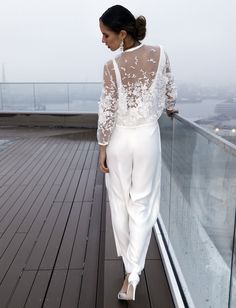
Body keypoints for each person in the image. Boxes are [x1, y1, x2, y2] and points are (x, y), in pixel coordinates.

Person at [97, 5, 178, 301]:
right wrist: (170, 107)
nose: (103, 41)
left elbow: (107, 110)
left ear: (122, 33)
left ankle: (128, 271)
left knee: (120, 203)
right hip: (146, 137)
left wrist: (102, 147)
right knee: (141, 205)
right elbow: (169, 87)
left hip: (119, 140)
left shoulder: (111, 67)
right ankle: (133, 276)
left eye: (106, 35)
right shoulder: (160, 53)